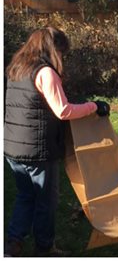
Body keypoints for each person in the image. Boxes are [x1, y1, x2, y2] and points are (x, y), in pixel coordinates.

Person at [4, 27, 110, 257]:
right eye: (62, 52)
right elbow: (63, 110)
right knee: (46, 201)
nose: (62, 57)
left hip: (12, 146)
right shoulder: (45, 72)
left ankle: (13, 243)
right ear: (54, 49)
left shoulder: (16, 68)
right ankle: (45, 247)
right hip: (38, 149)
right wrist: (94, 106)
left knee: (25, 195)